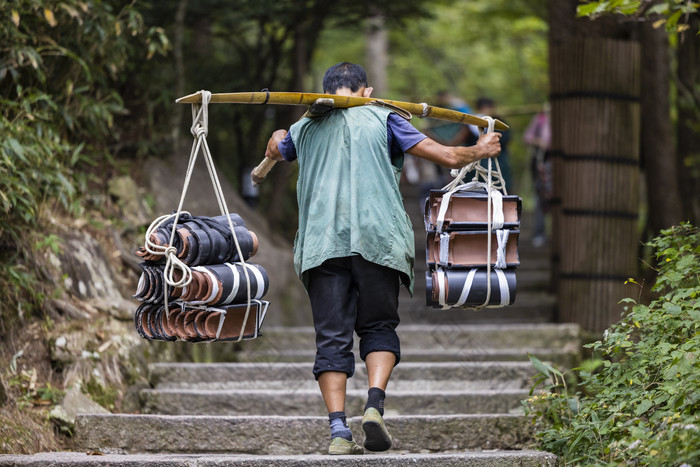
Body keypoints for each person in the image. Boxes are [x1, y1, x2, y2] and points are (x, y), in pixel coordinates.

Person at [263, 62, 501, 455]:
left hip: (322, 245)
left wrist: (276, 136)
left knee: (331, 338)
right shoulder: (385, 116)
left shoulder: (304, 126)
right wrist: (480, 149)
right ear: (366, 91)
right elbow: (444, 155)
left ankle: (339, 431)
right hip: (379, 242)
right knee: (378, 327)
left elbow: (276, 149)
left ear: (326, 92)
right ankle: (374, 406)